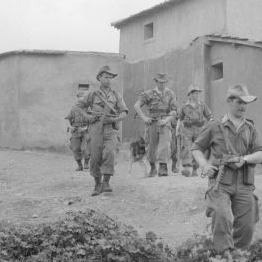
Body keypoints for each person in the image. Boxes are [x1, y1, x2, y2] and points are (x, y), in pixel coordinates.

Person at [191, 84, 262, 256]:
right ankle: (223, 255)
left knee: (247, 225)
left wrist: (244, 159)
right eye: (239, 102)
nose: (243, 107)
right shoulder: (214, 126)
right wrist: (204, 164)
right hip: (221, 182)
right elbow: (196, 148)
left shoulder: (250, 128)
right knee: (221, 214)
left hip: (244, 183)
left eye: (245, 103)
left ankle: (237, 257)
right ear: (229, 102)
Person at [78, 65, 128, 196]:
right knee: (95, 157)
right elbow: (78, 107)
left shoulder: (116, 95)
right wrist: (88, 117)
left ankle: (106, 182)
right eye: (106, 77)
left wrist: (114, 119)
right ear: (100, 78)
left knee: (110, 154)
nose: (109, 80)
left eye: (111, 78)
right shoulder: (92, 94)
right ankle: (97, 184)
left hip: (110, 129)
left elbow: (124, 113)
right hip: (95, 129)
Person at [134, 72, 178, 177]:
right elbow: (137, 105)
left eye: (164, 82)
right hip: (152, 122)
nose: (162, 84)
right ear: (156, 81)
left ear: (166, 82)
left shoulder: (171, 94)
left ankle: (163, 167)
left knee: (165, 144)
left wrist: (166, 120)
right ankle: (153, 167)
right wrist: (144, 117)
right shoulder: (148, 94)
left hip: (164, 122)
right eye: (160, 82)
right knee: (150, 145)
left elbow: (174, 110)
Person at [178, 84, 213, 177]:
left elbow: (209, 116)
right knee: (187, 147)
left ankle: (195, 169)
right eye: (195, 93)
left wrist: (211, 123)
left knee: (197, 148)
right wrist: (178, 128)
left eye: (198, 93)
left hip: (199, 129)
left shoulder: (202, 104)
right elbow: (180, 118)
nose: (197, 95)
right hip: (187, 129)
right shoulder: (184, 105)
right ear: (190, 94)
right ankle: (186, 169)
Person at [64, 92, 91, 171]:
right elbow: (68, 119)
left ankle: (86, 162)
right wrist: (70, 126)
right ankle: (79, 165)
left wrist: (86, 127)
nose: (81, 99)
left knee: (86, 147)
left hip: (86, 130)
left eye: (83, 97)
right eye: (79, 97)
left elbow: (93, 119)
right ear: (77, 98)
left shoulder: (88, 109)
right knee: (75, 148)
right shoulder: (74, 108)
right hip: (76, 130)